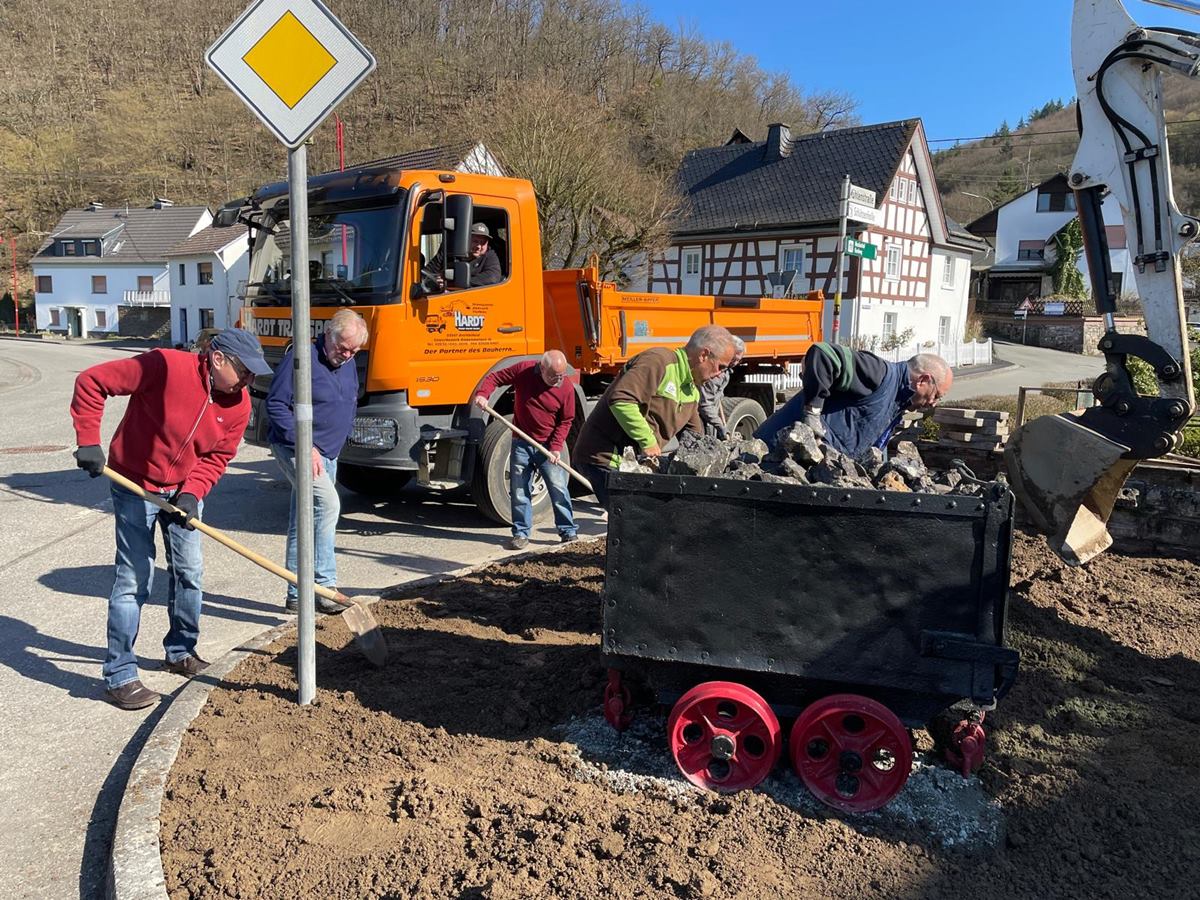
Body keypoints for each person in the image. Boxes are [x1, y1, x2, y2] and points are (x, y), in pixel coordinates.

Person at [70, 328, 270, 710]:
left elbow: (217, 456)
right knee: (134, 578)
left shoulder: (239, 402)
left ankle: (180, 651)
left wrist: (194, 492)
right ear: (217, 359)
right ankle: (120, 674)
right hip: (133, 484)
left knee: (189, 573)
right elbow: (92, 382)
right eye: (244, 371)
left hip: (181, 492)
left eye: (253, 375)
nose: (248, 381)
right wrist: (88, 440)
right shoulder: (165, 365)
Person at [266, 309, 369, 614]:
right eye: (343, 348)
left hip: (328, 452)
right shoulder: (301, 359)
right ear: (329, 334)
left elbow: (348, 397)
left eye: (354, 351)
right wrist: (304, 443)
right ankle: (324, 587)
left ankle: (297, 593)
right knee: (328, 505)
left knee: (306, 519)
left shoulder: (347, 361)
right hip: (299, 449)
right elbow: (276, 404)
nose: (347, 355)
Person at [574, 324, 737, 506]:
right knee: (631, 523)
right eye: (721, 366)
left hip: (633, 464)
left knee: (643, 522)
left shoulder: (691, 391)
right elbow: (621, 400)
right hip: (605, 456)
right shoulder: (659, 361)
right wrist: (648, 441)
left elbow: (694, 440)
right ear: (704, 355)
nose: (720, 375)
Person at [755, 343, 953, 458]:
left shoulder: (896, 403)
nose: (933, 403)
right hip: (769, 457)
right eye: (936, 395)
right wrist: (812, 414)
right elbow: (823, 353)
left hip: (799, 472)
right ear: (924, 380)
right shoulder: (879, 374)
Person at [474, 351, 578, 550]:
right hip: (521, 442)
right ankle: (521, 534)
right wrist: (482, 394)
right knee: (520, 490)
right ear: (541, 368)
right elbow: (494, 377)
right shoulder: (524, 371)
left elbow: (566, 420)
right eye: (553, 376)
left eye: (561, 375)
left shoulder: (565, 387)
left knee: (558, 489)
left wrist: (556, 447)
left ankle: (568, 531)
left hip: (547, 446)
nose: (558, 380)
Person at [698, 335, 746, 439]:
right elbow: (705, 405)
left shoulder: (725, 371)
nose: (735, 363)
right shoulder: (713, 373)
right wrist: (721, 426)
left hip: (709, 415)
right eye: (734, 359)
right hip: (699, 416)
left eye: (739, 360)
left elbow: (717, 396)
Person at [428, 221, 503, 288]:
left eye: (483, 243)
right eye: (475, 241)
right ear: (466, 240)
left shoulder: (490, 255)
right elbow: (428, 272)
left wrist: (454, 283)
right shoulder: (449, 252)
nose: (479, 246)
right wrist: (437, 280)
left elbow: (492, 277)